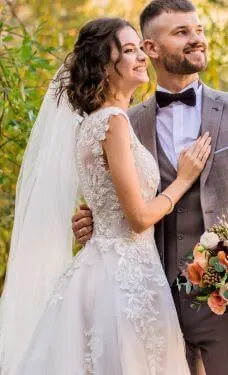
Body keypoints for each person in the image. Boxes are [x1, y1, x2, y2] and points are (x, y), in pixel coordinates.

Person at [73, 1, 228, 374]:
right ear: (150, 49)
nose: (197, 40)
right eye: (182, 32)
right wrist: (94, 220)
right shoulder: (125, 120)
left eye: (199, 30)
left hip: (227, 302)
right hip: (150, 301)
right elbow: (121, 199)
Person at [0, 17, 214, 375]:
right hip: (126, 279)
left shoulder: (92, 123)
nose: (141, 57)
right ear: (103, 65)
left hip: (104, 268)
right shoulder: (113, 121)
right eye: (128, 50)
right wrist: (184, 178)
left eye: (139, 48)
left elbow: (107, 202)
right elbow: (138, 218)